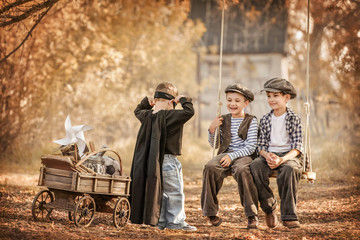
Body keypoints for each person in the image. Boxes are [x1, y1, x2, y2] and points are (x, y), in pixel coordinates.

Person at [129, 82, 196, 231]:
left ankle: (161, 221)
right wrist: (184, 100)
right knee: (174, 192)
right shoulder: (170, 115)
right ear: (171, 102)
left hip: (153, 161)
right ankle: (176, 222)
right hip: (169, 161)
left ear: (155, 99)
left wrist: (146, 102)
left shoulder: (147, 115)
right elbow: (189, 112)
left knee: (161, 193)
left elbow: (137, 110)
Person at [201, 84, 259, 229]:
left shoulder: (251, 121)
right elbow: (214, 144)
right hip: (226, 153)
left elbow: (251, 147)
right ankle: (210, 211)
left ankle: (251, 214)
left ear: (246, 103)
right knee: (210, 167)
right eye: (229, 100)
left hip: (245, 155)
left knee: (242, 170)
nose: (232, 104)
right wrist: (212, 128)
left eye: (237, 101)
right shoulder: (223, 119)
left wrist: (232, 157)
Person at [250, 77, 303, 229]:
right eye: (268, 96)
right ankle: (269, 208)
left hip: (289, 155)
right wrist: (268, 156)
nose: (271, 99)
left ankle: (289, 215)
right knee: (255, 166)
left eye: (275, 96)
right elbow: (260, 146)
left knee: (289, 169)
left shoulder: (294, 118)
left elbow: (297, 147)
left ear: (287, 97)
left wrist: (282, 159)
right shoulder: (266, 119)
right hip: (270, 153)